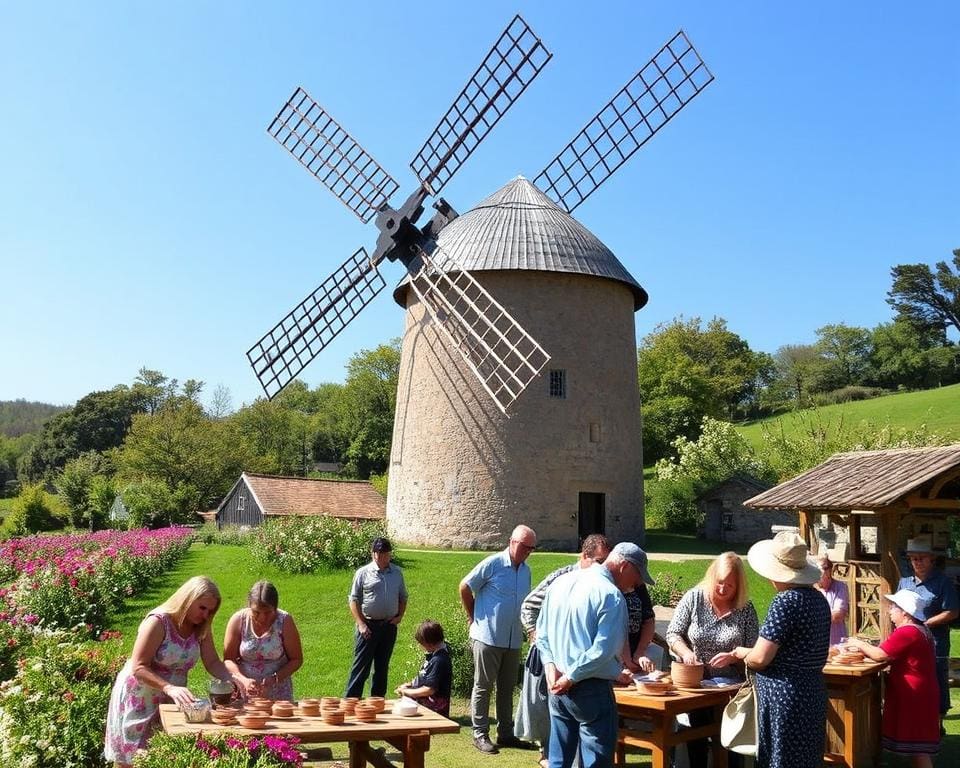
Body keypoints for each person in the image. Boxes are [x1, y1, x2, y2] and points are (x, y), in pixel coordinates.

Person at [536, 542, 654, 768]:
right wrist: (570, 677)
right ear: (624, 566)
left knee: (558, 762)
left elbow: (542, 635)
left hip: (557, 686)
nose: (637, 583)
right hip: (589, 687)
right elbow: (603, 650)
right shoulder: (611, 595)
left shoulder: (561, 582)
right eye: (638, 575)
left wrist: (551, 668)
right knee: (596, 763)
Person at [104, 576, 237, 768]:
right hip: (140, 696)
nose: (206, 615)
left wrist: (233, 679)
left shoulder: (201, 627)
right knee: (133, 757)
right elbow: (139, 667)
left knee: (161, 755)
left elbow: (213, 662)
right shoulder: (159, 622)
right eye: (202, 608)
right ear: (188, 599)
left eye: (210, 610)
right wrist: (168, 687)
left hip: (172, 698)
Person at [724, 531, 831, 768]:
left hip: (784, 697)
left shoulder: (786, 601)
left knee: (780, 760)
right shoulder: (819, 600)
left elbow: (761, 657)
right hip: (812, 692)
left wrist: (743, 654)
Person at [515, 534, 611, 768]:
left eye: (606, 561)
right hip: (551, 660)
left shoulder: (601, 584)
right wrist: (536, 636)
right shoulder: (563, 577)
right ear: (585, 556)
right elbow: (529, 605)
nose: (603, 567)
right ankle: (547, 754)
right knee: (553, 717)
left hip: (580, 666)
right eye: (599, 560)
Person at [665, 551, 759, 768]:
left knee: (729, 744)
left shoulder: (745, 608)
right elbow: (673, 633)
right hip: (697, 685)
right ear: (712, 577)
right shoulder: (695, 598)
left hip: (731, 691)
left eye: (730, 586)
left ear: (739, 586)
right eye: (719, 583)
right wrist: (686, 653)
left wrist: (733, 658)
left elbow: (754, 652)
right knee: (696, 738)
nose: (723, 589)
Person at [459, 524, 537, 754]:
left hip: (513, 639)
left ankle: (505, 733)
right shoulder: (493, 564)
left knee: (507, 687)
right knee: (483, 686)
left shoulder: (526, 571)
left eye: (532, 548)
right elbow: (465, 586)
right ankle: (480, 734)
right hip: (487, 636)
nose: (528, 552)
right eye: (525, 547)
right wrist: (472, 615)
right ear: (512, 542)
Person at [846, 590, 940, 766]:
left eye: (893, 607)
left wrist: (858, 643)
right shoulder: (919, 629)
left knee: (919, 745)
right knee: (917, 742)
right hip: (920, 691)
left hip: (914, 694)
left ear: (904, 611)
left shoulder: (907, 632)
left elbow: (881, 654)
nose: (890, 611)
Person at [897, 538, 959, 728]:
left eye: (922, 558)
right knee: (911, 677)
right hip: (909, 640)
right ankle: (913, 719)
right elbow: (897, 606)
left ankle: (937, 722)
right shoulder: (905, 581)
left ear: (931, 559)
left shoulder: (942, 582)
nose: (917, 562)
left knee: (937, 678)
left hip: (934, 640)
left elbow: (953, 611)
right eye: (913, 558)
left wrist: (926, 623)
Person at [345, 536, 408, 698]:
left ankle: (377, 702)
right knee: (361, 667)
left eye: (384, 553)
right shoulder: (363, 573)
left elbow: (403, 597)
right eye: (377, 553)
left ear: (390, 554)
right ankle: (351, 702)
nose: (380, 556)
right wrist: (360, 623)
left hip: (388, 626)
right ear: (373, 554)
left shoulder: (397, 573)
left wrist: (399, 616)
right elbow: (354, 599)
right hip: (368, 626)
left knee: (382, 667)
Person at [223, 580, 303, 701]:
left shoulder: (284, 621)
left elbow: (296, 659)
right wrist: (243, 680)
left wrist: (275, 678)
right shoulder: (239, 620)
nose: (262, 617)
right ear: (249, 606)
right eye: (256, 612)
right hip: (245, 689)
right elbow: (228, 660)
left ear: (275, 607)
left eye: (268, 612)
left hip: (278, 690)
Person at [395, 619, 453, 717]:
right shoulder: (434, 655)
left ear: (428, 643)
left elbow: (429, 690)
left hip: (434, 709)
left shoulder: (439, 660)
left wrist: (406, 692)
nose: (420, 646)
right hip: (425, 703)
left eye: (421, 643)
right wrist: (410, 685)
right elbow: (427, 677)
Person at [814, 555, 849, 646]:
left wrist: (813, 619)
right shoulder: (810, 589)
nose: (822, 572)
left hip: (836, 642)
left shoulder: (840, 587)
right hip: (815, 643)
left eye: (825, 569)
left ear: (830, 570)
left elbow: (839, 615)